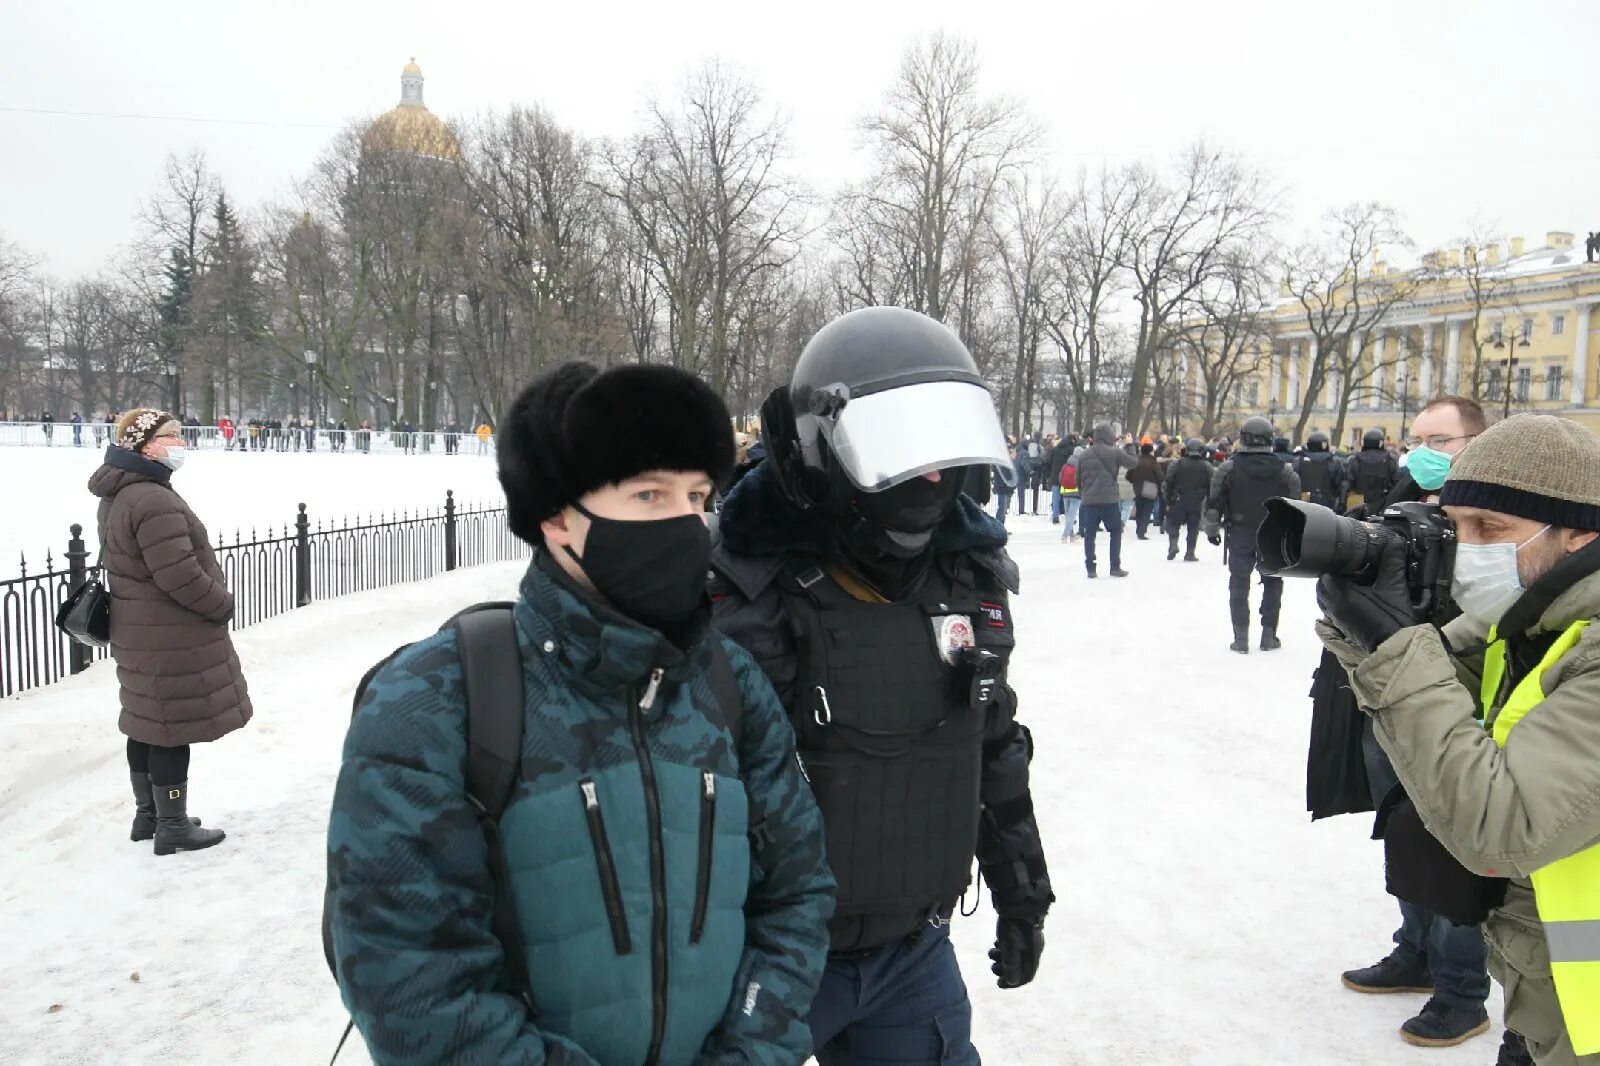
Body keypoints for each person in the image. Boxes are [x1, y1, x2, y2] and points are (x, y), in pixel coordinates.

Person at [328, 361, 834, 1066]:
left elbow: (797, 895)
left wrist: (751, 1051)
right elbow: (410, 974)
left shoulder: (728, 684)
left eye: (697, 496)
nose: (689, 524)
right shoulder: (441, 699)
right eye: (650, 494)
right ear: (558, 518)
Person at [710, 307, 1052, 1065]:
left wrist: (1021, 890)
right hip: (764, 963)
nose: (930, 476)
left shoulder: (967, 577)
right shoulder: (742, 590)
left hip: (911, 952)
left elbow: (989, 742)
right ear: (821, 450)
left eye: (941, 447)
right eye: (902, 447)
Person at [1315, 413, 1600, 1066]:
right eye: (1456, 527)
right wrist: (1366, 627)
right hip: (1549, 1004)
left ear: (1581, 530)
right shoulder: (1533, 621)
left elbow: (1501, 828)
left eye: (1490, 530)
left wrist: (1395, 645)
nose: (1468, 550)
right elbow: (1434, 683)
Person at [1307, 397, 1497, 1052]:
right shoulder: (1398, 500)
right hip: (1389, 695)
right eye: (1413, 438)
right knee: (1405, 834)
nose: (1419, 451)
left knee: (1453, 848)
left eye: (1436, 439)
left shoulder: (1499, 521)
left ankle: (1461, 989)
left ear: (1476, 441)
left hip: (1457, 702)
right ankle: (1414, 951)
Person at [90, 408, 248, 855]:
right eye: (172, 436)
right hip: (168, 634)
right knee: (170, 728)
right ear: (145, 445)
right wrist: (221, 604)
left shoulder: (122, 492)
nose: (181, 442)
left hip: (139, 631)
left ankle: (150, 815)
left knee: (145, 723)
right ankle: (173, 826)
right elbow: (178, 575)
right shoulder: (152, 498)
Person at [1205, 415, 1299, 653]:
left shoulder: (1228, 467)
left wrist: (1211, 530)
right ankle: (1268, 636)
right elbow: (1296, 507)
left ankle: (1241, 638)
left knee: (1238, 582)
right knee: (1273, 582)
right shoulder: (1286, 470)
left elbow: (1215, 503)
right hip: (1274, 532)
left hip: (1240, 531)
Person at [1074, 424, 1134, 578]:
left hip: (1090, 501)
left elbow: (1078, 479)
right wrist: (1129, 445)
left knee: (1090, 534)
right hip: (1109, 500)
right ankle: (1115, 566)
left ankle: (1090, 568)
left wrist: (1084, 495)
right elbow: (1133, 463)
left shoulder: (1084, 454)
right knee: (1115, 532)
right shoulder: (1114, 452)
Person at [1163, 437, 1212, 561]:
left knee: (1173, 524)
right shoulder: (1206, 466)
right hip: (1196, 501)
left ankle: (1173, 544)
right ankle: (1190, 552)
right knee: (1193, 527)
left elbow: (1168, 482)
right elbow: (1212, 485)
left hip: (1178, 499)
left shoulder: (1177, 464)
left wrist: (1168, 499)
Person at [1349, 427, 1400, 510]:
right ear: (1381, 442)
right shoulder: (1390, 459)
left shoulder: (1355, 459)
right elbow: (1396, 483)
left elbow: (1349, 482)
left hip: (1360, 503)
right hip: (1383, 502)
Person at [1296, 431, 1348, 511]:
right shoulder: (1334, 461)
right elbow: (1340, 483)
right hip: (1327, 504)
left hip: (1303, 504)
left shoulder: (1298, 460)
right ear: (1325, 445)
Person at [1128, 443, 1164, 540]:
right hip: (1151, 487)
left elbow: (1128, 476)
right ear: (1151, 451)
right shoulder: (1153, 462)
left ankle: (1139, 528)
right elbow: (1159, 477)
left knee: (1139, 509)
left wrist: (1134, 481)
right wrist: (1159, 484)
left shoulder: (1135, 461)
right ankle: (1141, 531)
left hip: (1137, 487)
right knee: (1147, 510)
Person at [1047, 433, 1074, 525]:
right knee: (1067, 497)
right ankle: (1069, 516)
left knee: (1055, 497)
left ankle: (1055, 516)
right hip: (1066, 476)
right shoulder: (1070, 450)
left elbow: (1049, 462)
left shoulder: (1055, 450)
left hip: (1055, 476)